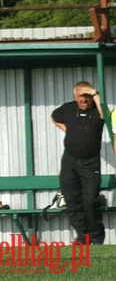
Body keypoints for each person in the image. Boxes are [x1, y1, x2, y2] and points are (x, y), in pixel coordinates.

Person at [51, 81, 106, 244]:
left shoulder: (98, 110)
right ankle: (83, 238)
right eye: (81, 96)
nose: (84, 100)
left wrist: (95, 94)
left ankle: (96, 238)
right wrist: (65, 129)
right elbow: (54, 116)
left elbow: (106, 116)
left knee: (90, 201)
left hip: (90, 163)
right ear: (75, 96)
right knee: (72, 201)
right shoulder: (68, 108)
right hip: (69, 161)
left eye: (87, 96)